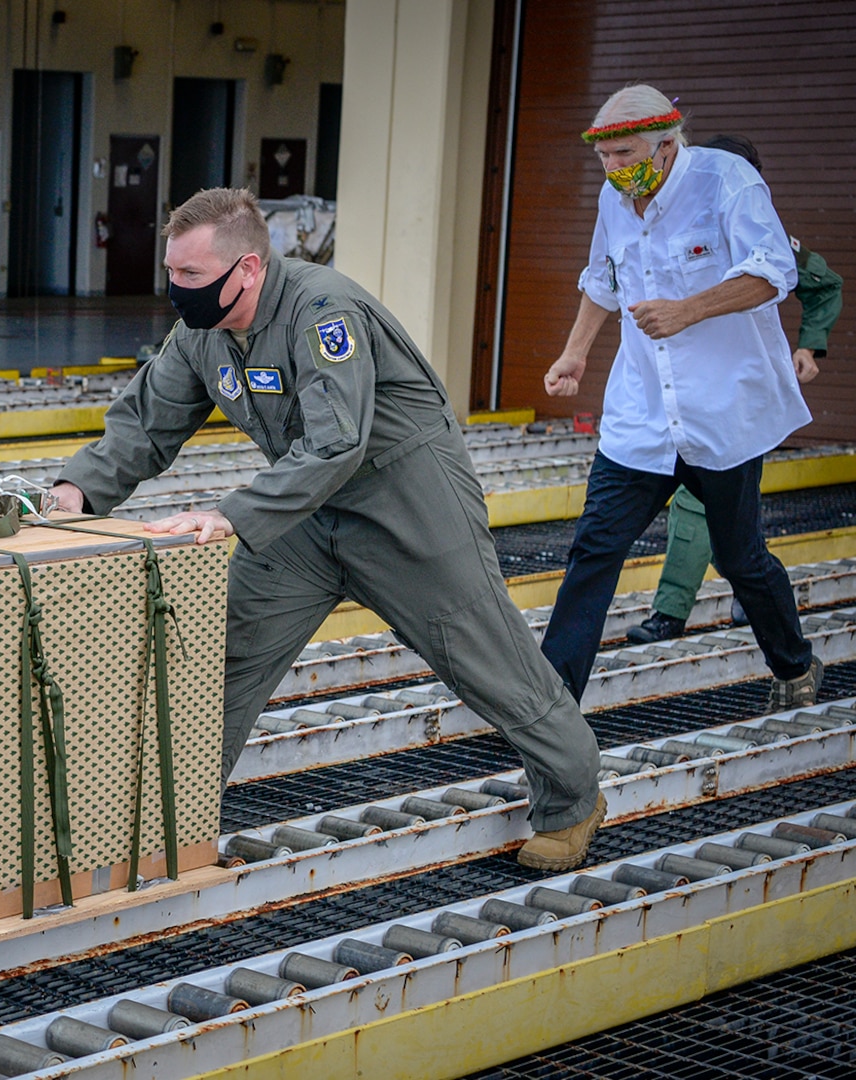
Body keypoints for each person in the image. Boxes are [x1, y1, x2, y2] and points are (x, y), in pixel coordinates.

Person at [52, 187, 605, 871]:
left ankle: (572, 797)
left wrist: (230, 515)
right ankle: (175, 827)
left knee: (484, 658)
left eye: (190, 275)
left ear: (247, 269)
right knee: (221, 651)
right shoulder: (202, 329)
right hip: (303, 512)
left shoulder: (322, 311)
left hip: (405, 501)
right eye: (172, 271)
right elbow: (146, 419)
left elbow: (338, 444)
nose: (175, 289)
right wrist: (76, 489)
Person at [540, 86, 822, 711]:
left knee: (739, 557)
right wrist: (576, 352)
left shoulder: (728, 182)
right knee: (595, 546)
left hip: (721, 413)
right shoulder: (616, 199)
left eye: (625, 154)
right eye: (604, 158)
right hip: (642, 414)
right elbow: (603, 279)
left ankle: (795, 663)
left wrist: (688, 310)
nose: (613, 169)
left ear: (667, 146)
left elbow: (775, 272)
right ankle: (551, 705)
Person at [628, 136, 842, 643]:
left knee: (724, 513)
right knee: (702, 508)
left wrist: (810, 347)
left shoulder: (771, 241)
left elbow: (822, 283)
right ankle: (683, 608)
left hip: (739, 398)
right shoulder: (663, 226)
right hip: (681, 397)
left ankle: (734, 602)